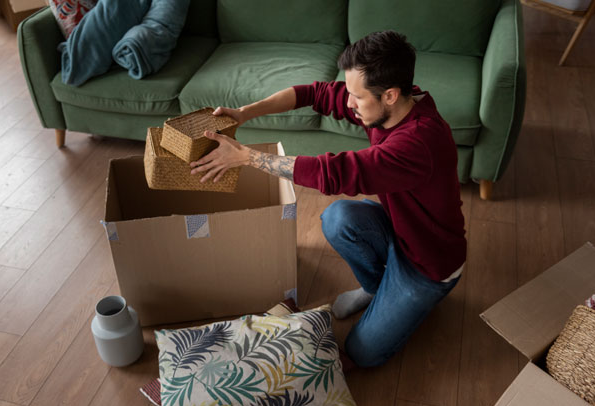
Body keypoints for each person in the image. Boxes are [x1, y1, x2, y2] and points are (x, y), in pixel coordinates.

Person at [190, 30, 466, 368]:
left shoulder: (418, 142)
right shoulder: (389, 106)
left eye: (357, 97)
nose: (348, 103)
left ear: (391, 95)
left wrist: (247, 158)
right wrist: (246, 112)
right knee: (338, 219)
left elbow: (333, 173)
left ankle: (410, 297)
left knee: (362, 354)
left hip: (427, 264)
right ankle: (377, 285)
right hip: (399, 230)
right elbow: (315, 93)